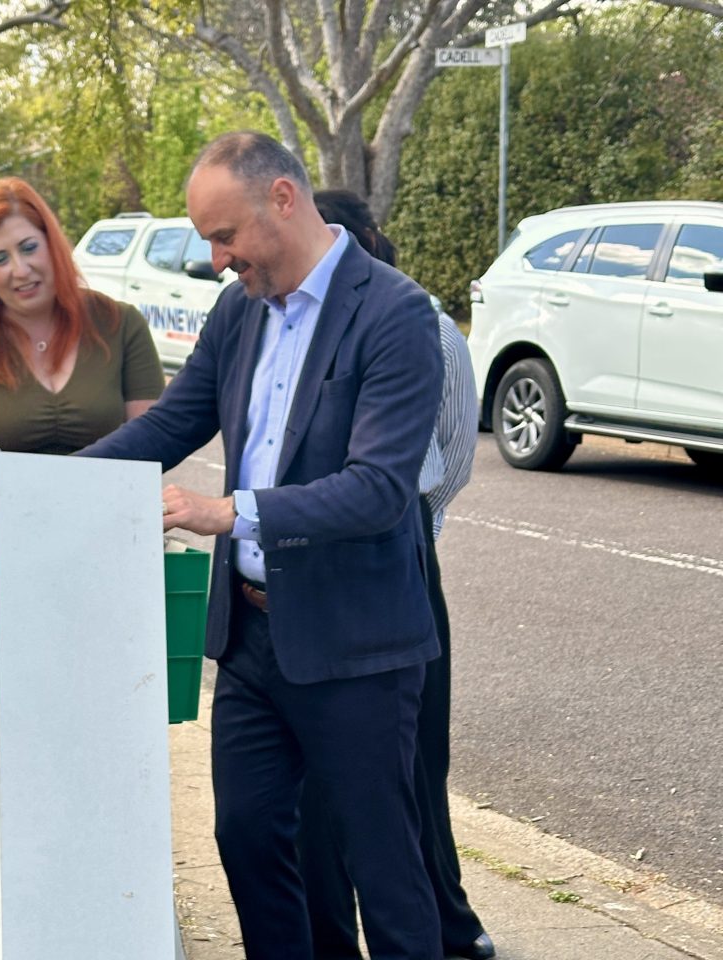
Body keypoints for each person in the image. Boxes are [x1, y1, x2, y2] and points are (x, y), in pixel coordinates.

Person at [78, 132, 445, 960]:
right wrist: (53, 483)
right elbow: (174, 422)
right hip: (249, 640)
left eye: (224, 235)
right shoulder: (239, 308)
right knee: (246, 841)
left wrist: (227, 512)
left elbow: (380, 489)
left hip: (358, 651)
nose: (216, 260)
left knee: (382, 870)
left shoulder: (396, 313)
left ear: (283, 198)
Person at [299, 190, 491, 960]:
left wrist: (411, 530)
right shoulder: (288, 327)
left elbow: (451, 458)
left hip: (403, 549)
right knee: (318, 774)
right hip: (309, 557)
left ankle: (446, 918)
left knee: (416, 757)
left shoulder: (431, 328)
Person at [0, 176, 165, 452]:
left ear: (52, 244)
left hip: (111, 494)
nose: (21, 270)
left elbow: (149, 447)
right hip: (4, 498)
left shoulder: (120, 324)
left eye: (29, 248)